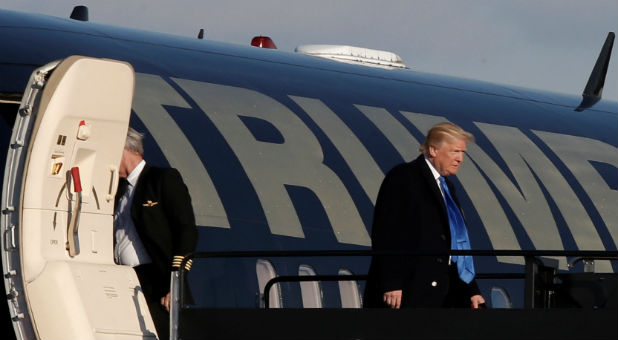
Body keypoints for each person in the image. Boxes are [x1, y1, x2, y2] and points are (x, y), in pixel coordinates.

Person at [363, 122, 485, 309]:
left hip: (443, 291)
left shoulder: (447, 188)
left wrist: (471, 289)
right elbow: (386, 232)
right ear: (433, 150)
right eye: (455, 151)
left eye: (463, 153)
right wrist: (392, 282)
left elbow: (457, 242)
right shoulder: (404, 177)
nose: (460, 159)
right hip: (410, 290)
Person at [114, 127, 197, 338]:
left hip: (156, 280)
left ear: (125, 149)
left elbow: (186, 230)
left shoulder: (161, 179)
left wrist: (175, 283)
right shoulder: (119, 191)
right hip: (123, 278)